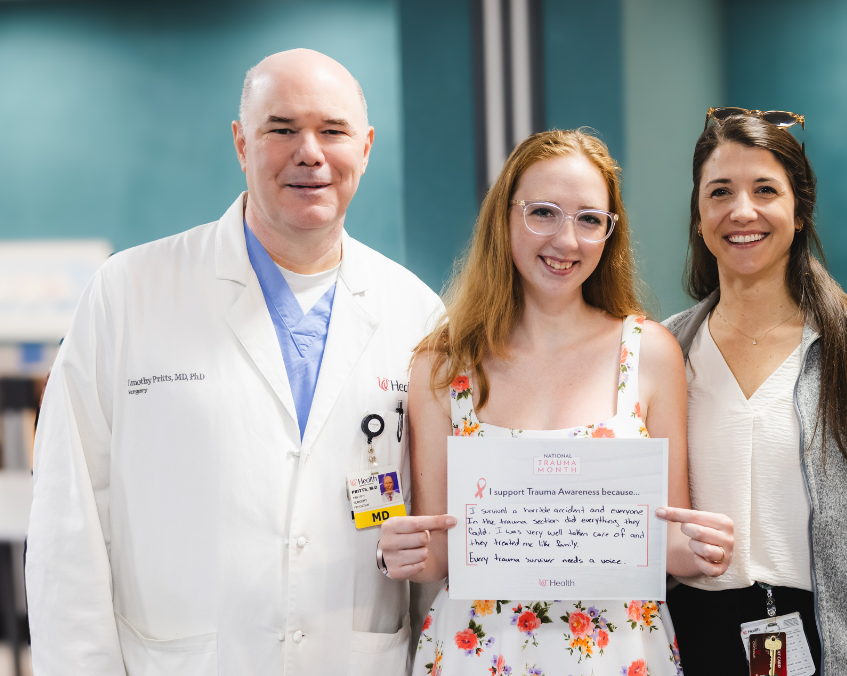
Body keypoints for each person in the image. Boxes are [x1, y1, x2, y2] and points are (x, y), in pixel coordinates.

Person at [25, 49, 444, 675]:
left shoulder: (417, 314)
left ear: (366, 146)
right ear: (241, 143)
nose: (310, 152)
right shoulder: (129, 292)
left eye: (333, 131)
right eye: (281, 129)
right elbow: (68, 524)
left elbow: (435, 537)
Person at [375, 129, 735, 676]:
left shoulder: (649, 353)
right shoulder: (443, 365)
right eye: (543, 212)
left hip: (619, 654)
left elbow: (667, 542)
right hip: (482, 652)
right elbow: (440, 553)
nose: (566, 241)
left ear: (610, 234)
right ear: (505, 217)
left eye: (590, 219)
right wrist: (400, 550)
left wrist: (704, 549)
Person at [662, 109, 847, 675]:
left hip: (830, 644)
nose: (743, 211)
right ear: (698, 213)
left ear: (799, 207)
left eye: (766, 189)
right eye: (720, 192)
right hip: (685, 641)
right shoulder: (663, 350)